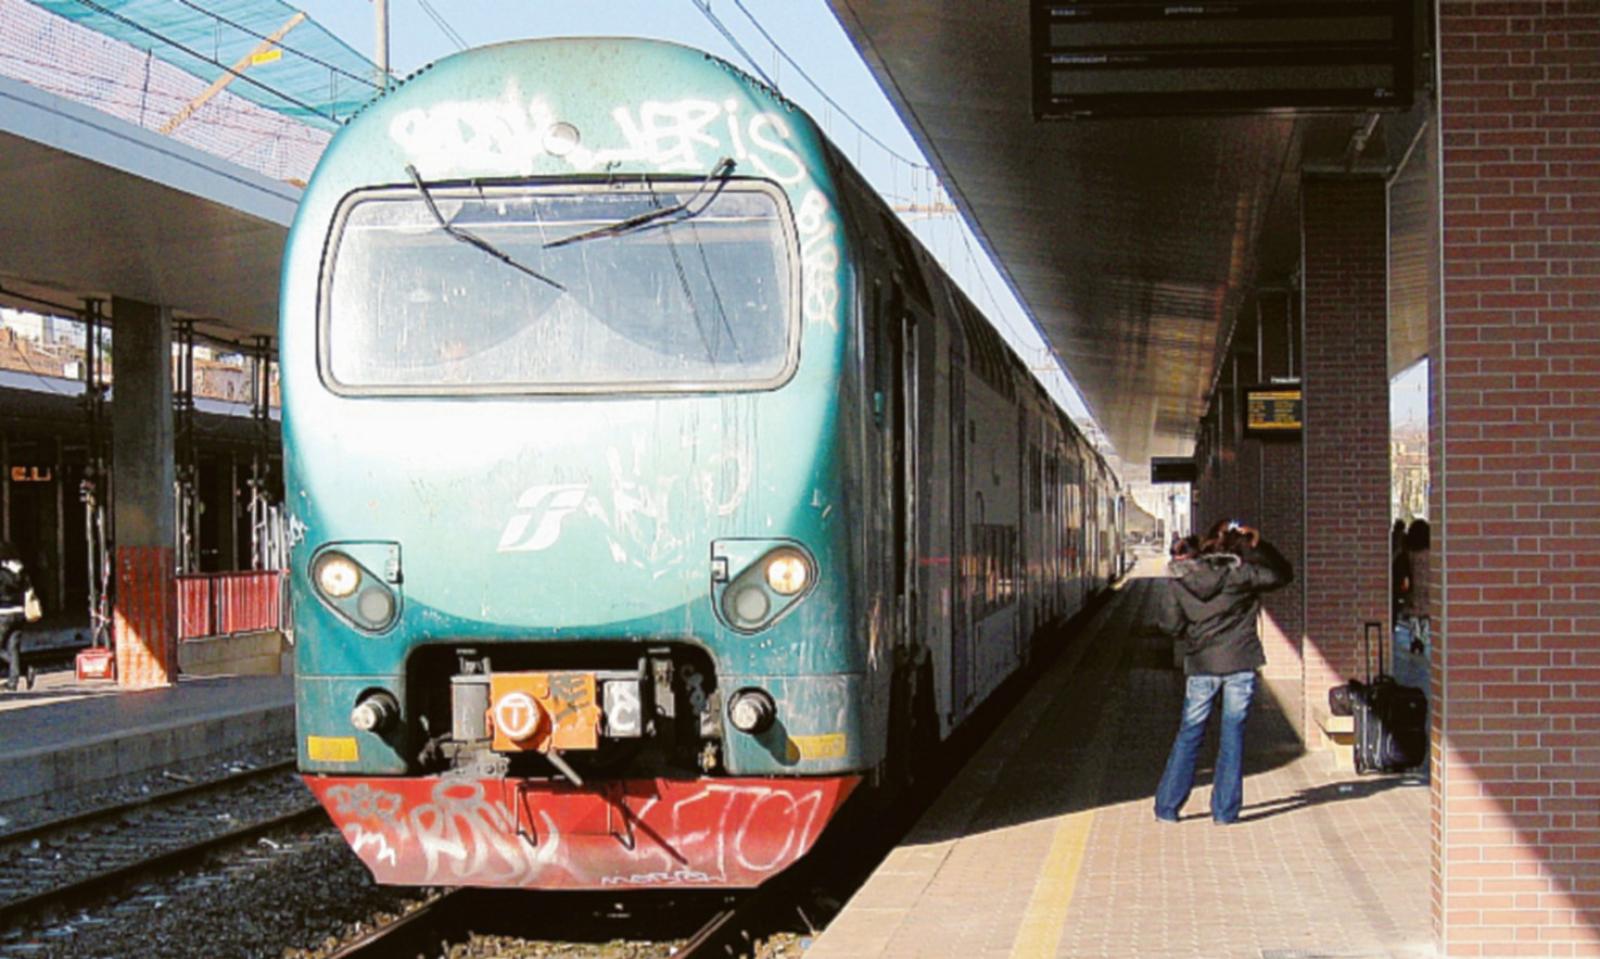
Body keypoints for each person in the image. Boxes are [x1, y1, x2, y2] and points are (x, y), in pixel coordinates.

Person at [1154, 518, 1293, 825]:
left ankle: (1167, 807)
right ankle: (1225, 812)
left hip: (1202, 665)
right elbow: (1283, 574)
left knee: (1189, 733)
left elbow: (1169, 625)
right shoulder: (1242, 574)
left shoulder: (1181, 579)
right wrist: (1258, 546)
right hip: (1240, 663)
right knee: (1233, 736)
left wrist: (1193, 633)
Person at [0, 542, 34, 691]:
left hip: (3, 613)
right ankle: (13, 682)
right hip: (20, 613)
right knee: (13, 647)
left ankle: (25, 669)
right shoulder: (21, 570)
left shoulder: (1, 572)